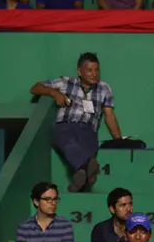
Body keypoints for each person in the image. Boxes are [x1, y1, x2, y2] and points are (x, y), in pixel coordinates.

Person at [30, 52, 125, 192]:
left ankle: (81, 174)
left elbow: (109, 115)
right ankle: (88, 169)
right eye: (89, 70)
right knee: (67, 142)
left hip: (88, 129)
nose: (94, 74)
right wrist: (54, 93)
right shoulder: (65, 82)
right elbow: (35, 88)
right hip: (65, 125)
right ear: (79, 71)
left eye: (96, 70)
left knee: (90, 144)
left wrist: (119, 141)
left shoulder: (104, 88)